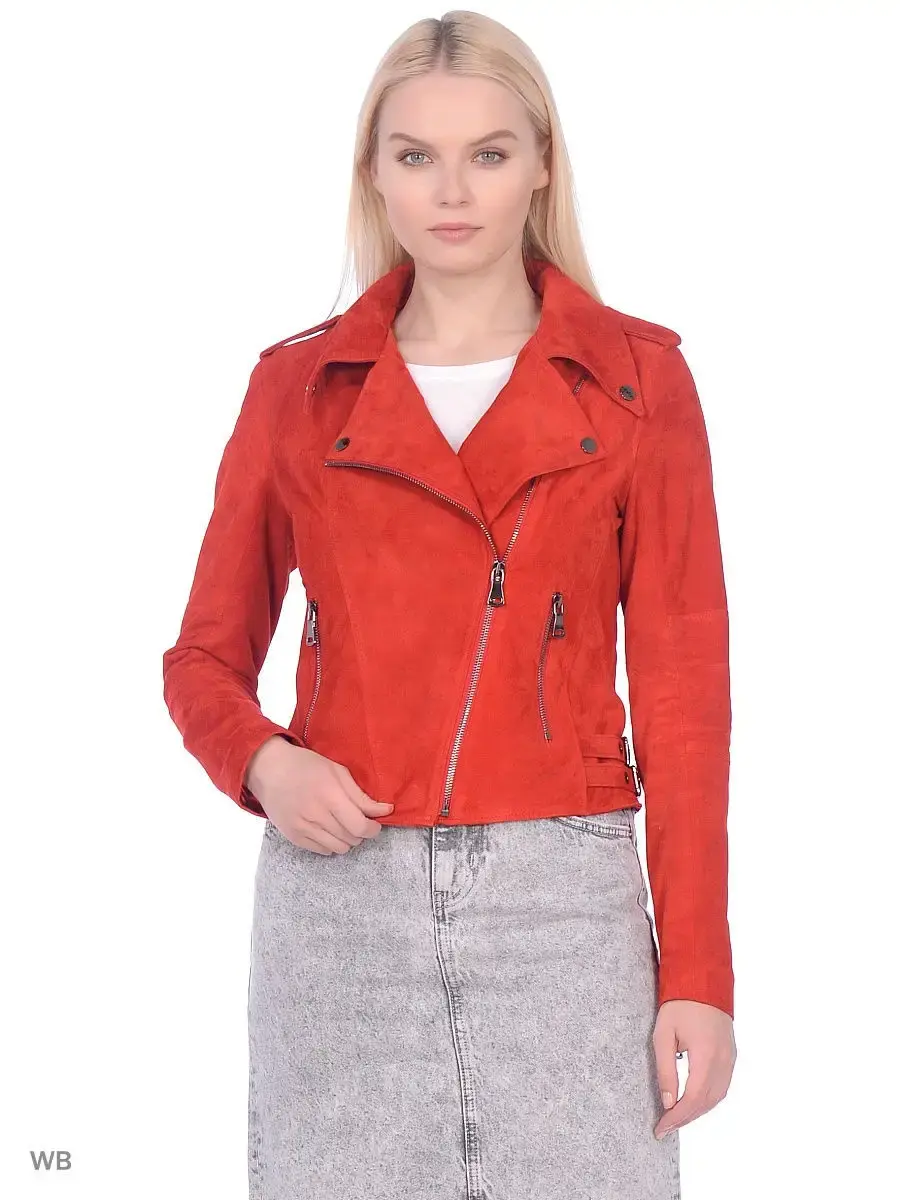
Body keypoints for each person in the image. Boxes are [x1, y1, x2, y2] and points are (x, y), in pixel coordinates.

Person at [162, 10, 737, 1199]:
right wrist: (267, 765)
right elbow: (203, 658)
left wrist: (698, 971)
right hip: (341, 902)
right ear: (374, 173)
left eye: (488, 152)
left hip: (565, 906)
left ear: (541, 165)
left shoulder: (640, 383)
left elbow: (683, 698)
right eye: (417, 154)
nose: (453, 190)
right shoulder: (297, 389)